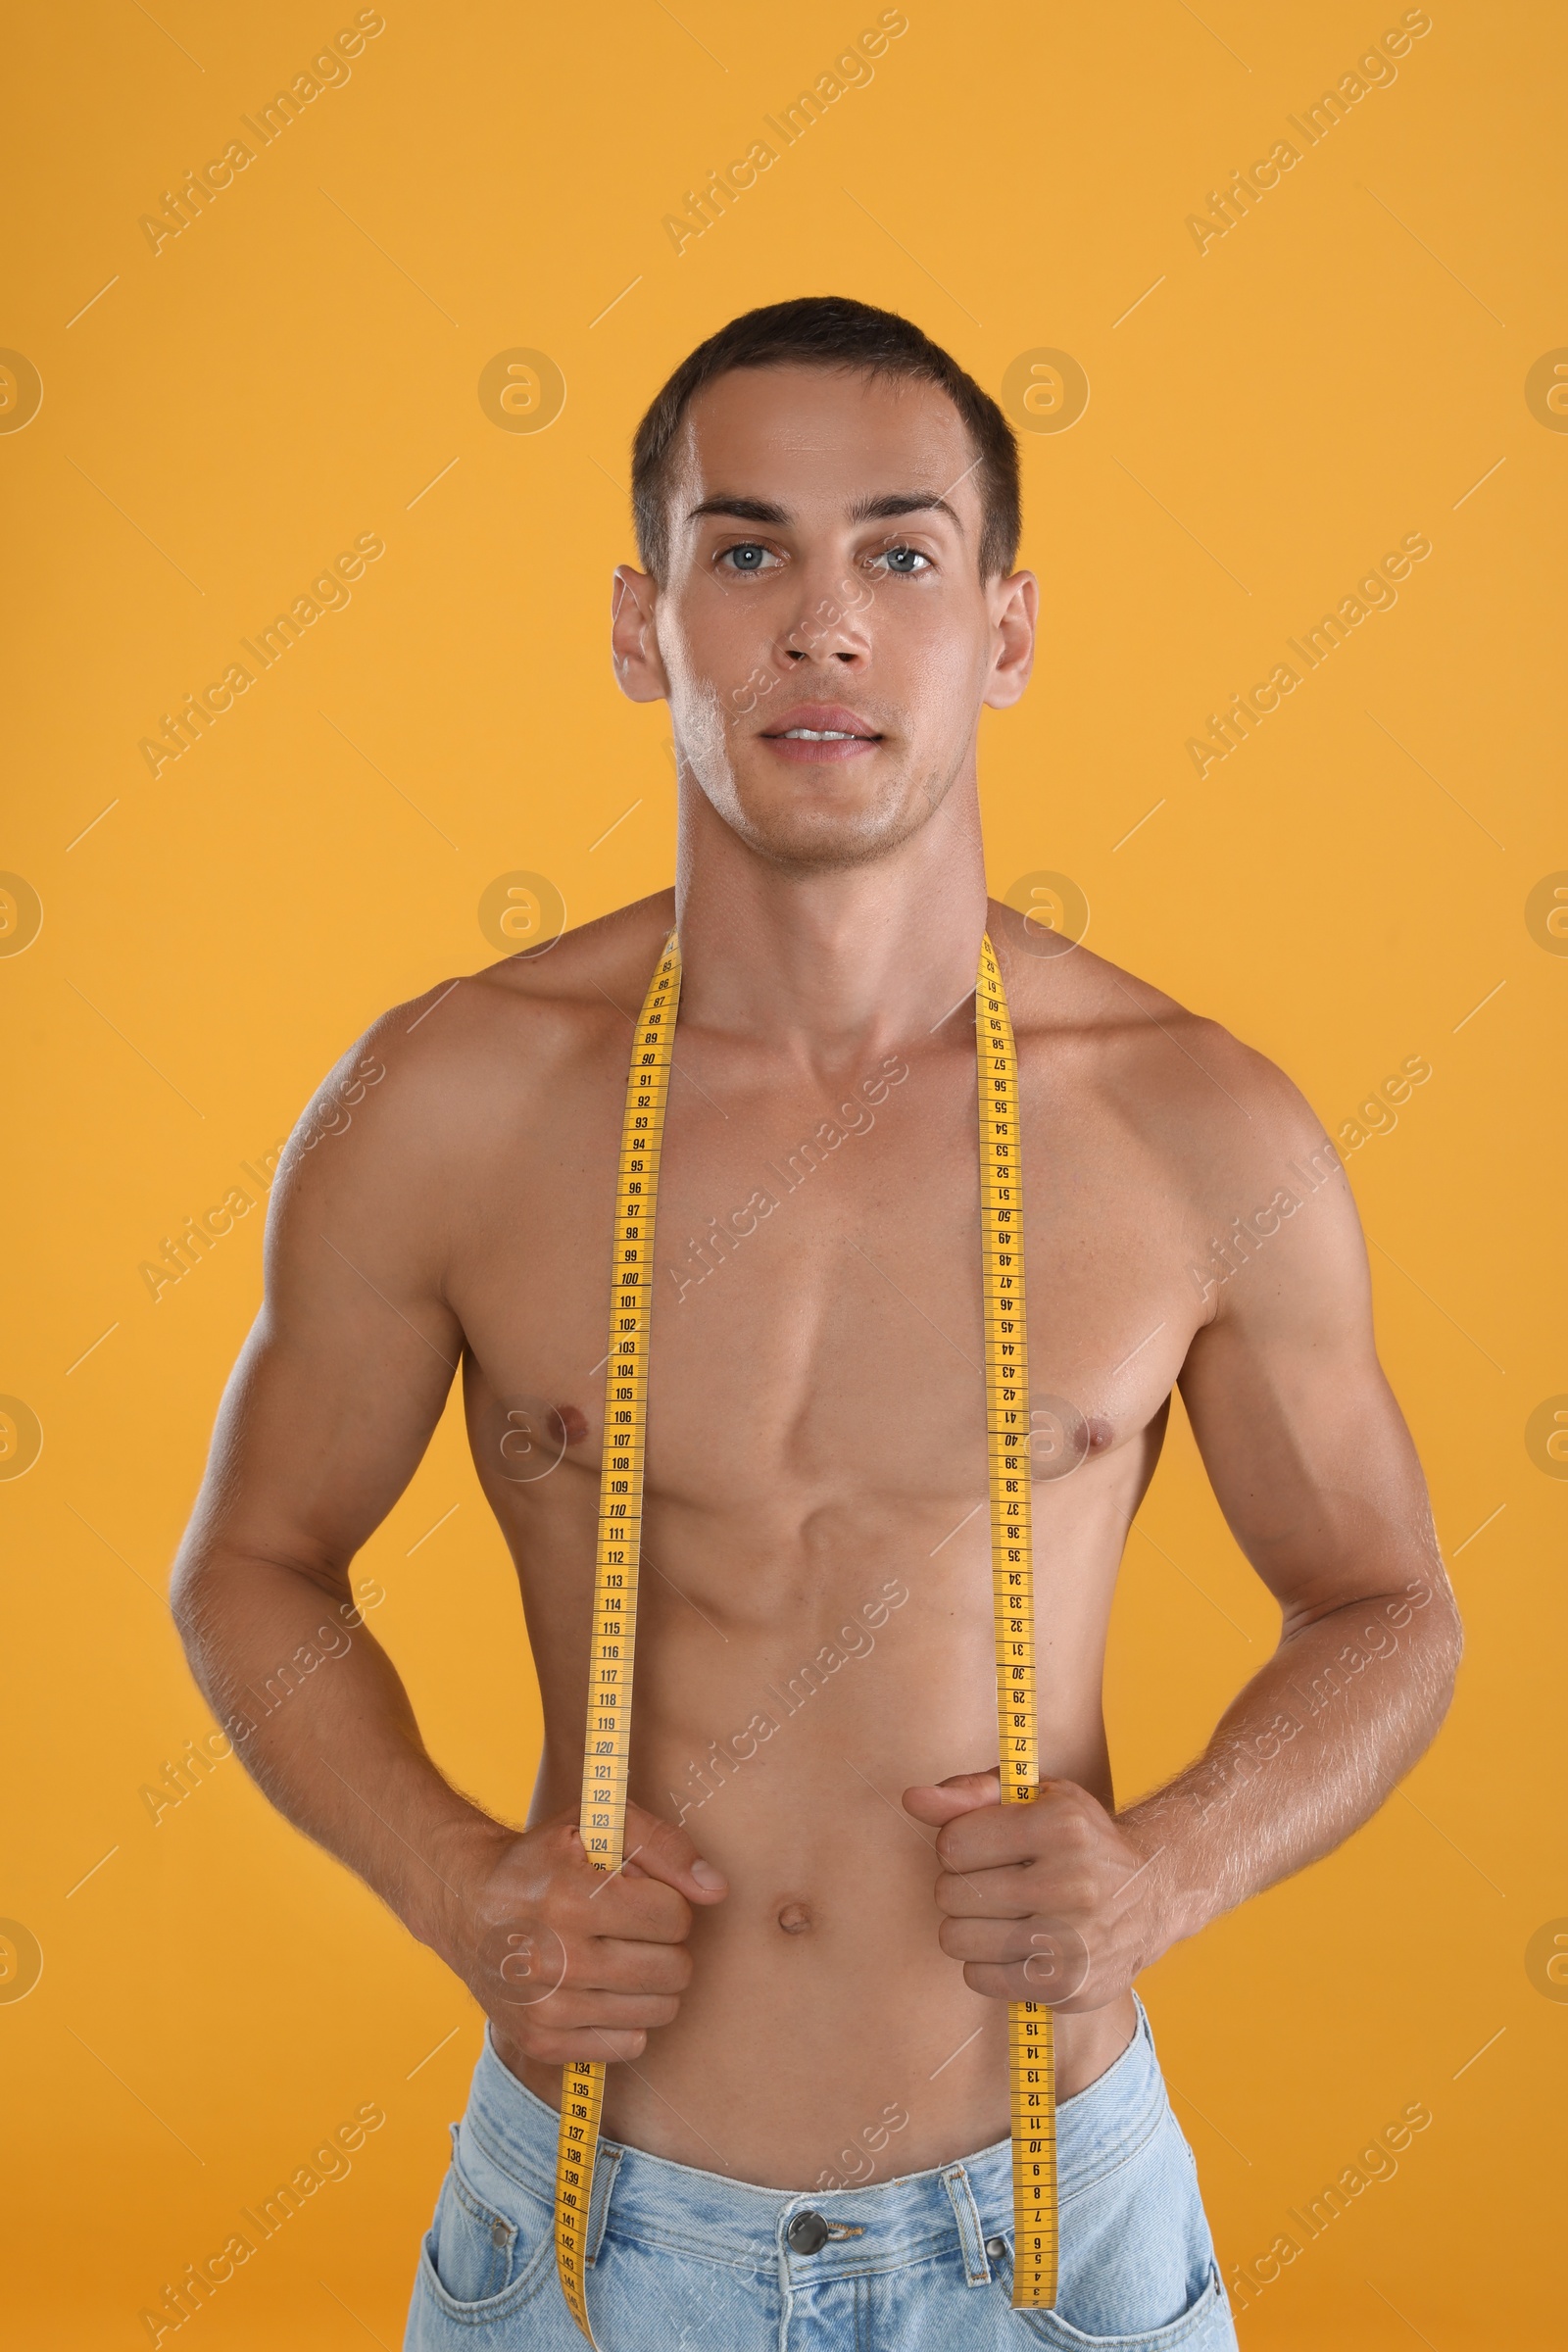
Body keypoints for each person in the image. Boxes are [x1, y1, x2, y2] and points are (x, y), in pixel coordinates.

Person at [171, 296, 1461, 2350]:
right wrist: (454, 1888)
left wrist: (1164, 1874)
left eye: (901, 553)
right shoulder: (453, 1101)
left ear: (1004, 632)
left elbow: (1388, 1604)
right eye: (746, 549)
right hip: (586, 2228)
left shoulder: (1189, 1122)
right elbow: (247, 1567)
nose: (824, 625)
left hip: (1044, 2231)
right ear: (641, 623)